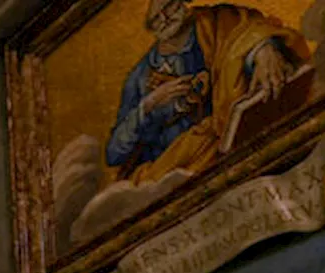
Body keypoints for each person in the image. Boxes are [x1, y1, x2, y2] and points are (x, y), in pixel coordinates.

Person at [106, 0, 310, 183]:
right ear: (150, 29)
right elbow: (114, 154)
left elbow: (249, 31)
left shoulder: (217, 21)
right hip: (181, 165)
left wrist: (262, 49)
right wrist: (149, 104)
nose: (165, 18)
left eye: (168, 6)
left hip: (239, 140)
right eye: (155, 19)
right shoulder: (140, 76)